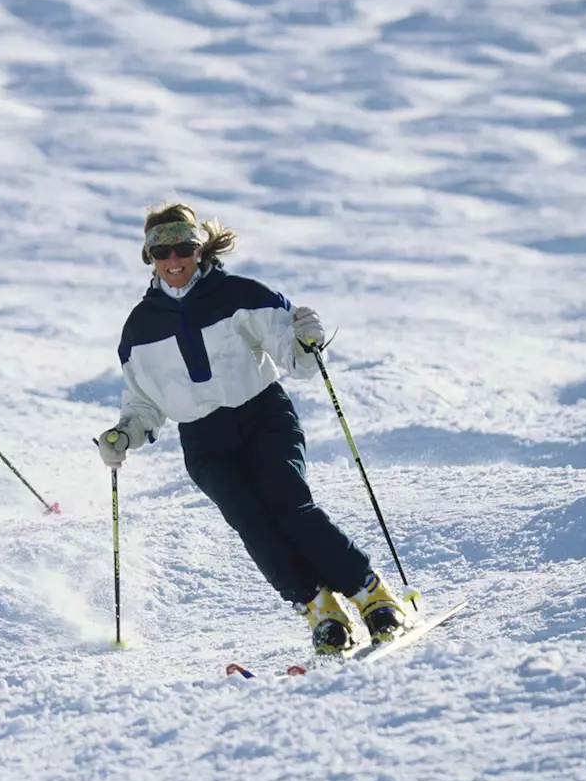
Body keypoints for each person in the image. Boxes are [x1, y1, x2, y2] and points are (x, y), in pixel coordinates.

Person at [95, 202, 407, 654]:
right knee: (253, 524)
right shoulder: (139, 330)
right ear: (150, 258)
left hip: (262, 415)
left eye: (184, 245)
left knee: (288, 503)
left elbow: (295, 357)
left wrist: (305, 340)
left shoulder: (241, 294)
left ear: (199, 249)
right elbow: (144, 405)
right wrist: (124, 434)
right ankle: (321, 611)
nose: (174, 259)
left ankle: (371, 596)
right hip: (203, 440)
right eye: (162, 251)